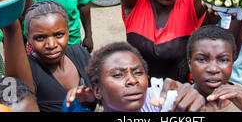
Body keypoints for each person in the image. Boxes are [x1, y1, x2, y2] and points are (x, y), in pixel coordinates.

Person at [63, 41, 206, 112]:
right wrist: (78, 105)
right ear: (97, 90)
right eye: (118, 75)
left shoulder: (161, 105)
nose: (132, 80)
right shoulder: (80, 104)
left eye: (138, 72)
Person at [25, 0, 96, 112]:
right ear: (28, 37)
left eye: (59, 35)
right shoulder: (28, 69)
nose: (51, 45)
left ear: (68, 31)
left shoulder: (79, 53)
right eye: (40, 38)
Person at [186, 25, 241, 112]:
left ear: (232, 63)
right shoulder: (180, 103)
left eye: (223, 60)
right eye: (202, 59)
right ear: (190, 64)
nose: (213, 69)